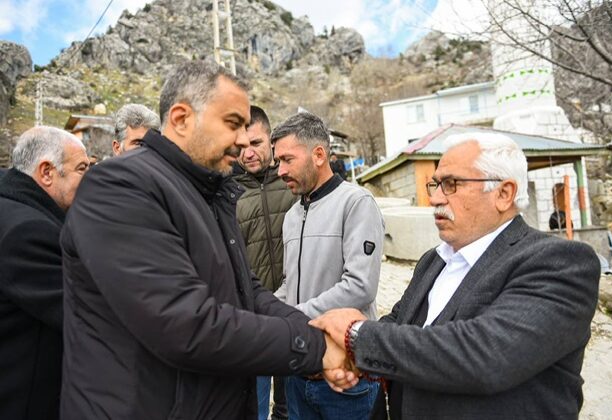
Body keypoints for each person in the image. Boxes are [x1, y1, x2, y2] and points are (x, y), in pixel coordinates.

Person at [59, 61, 356, 420]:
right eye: (233, 123)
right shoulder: (120, 187)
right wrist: (316, 348)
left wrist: (311, 329)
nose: (244, 140)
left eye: (247, 127)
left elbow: (248, 291)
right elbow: (184, 324)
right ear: (182, 118)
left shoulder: (211, 194)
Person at [312, 133, 601, 420]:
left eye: (452, 184)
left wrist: (355, 335)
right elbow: (400, 323)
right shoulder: (434, 260)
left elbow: (485, 355)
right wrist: (354, 360)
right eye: (436, 184)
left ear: (504, 193)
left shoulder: (559, 262)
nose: (435, 197)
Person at [272, 112, 385, 420]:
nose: (280, 170)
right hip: (299, 371)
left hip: (345, 377)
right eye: (277, 161)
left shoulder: (357, 203)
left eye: (287, 159)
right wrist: (264, 314)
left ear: (318, 154)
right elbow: (289, 284)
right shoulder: (292, 216)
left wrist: (293, 319)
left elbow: (359, 287)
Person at [0, 126, 89, 420]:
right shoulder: (29, 232)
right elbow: (81, 314)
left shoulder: (11, 207)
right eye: (81, 169)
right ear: (47, 172)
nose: (89, 179)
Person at [233, 105, 297, 420]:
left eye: (255, 143)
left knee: (289, 405)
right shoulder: (227, 193)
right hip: (252, 319)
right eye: (240, 147)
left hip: (293, 313)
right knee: (253, 408)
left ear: (270, 140)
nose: (248, 153)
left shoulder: (294, 185)